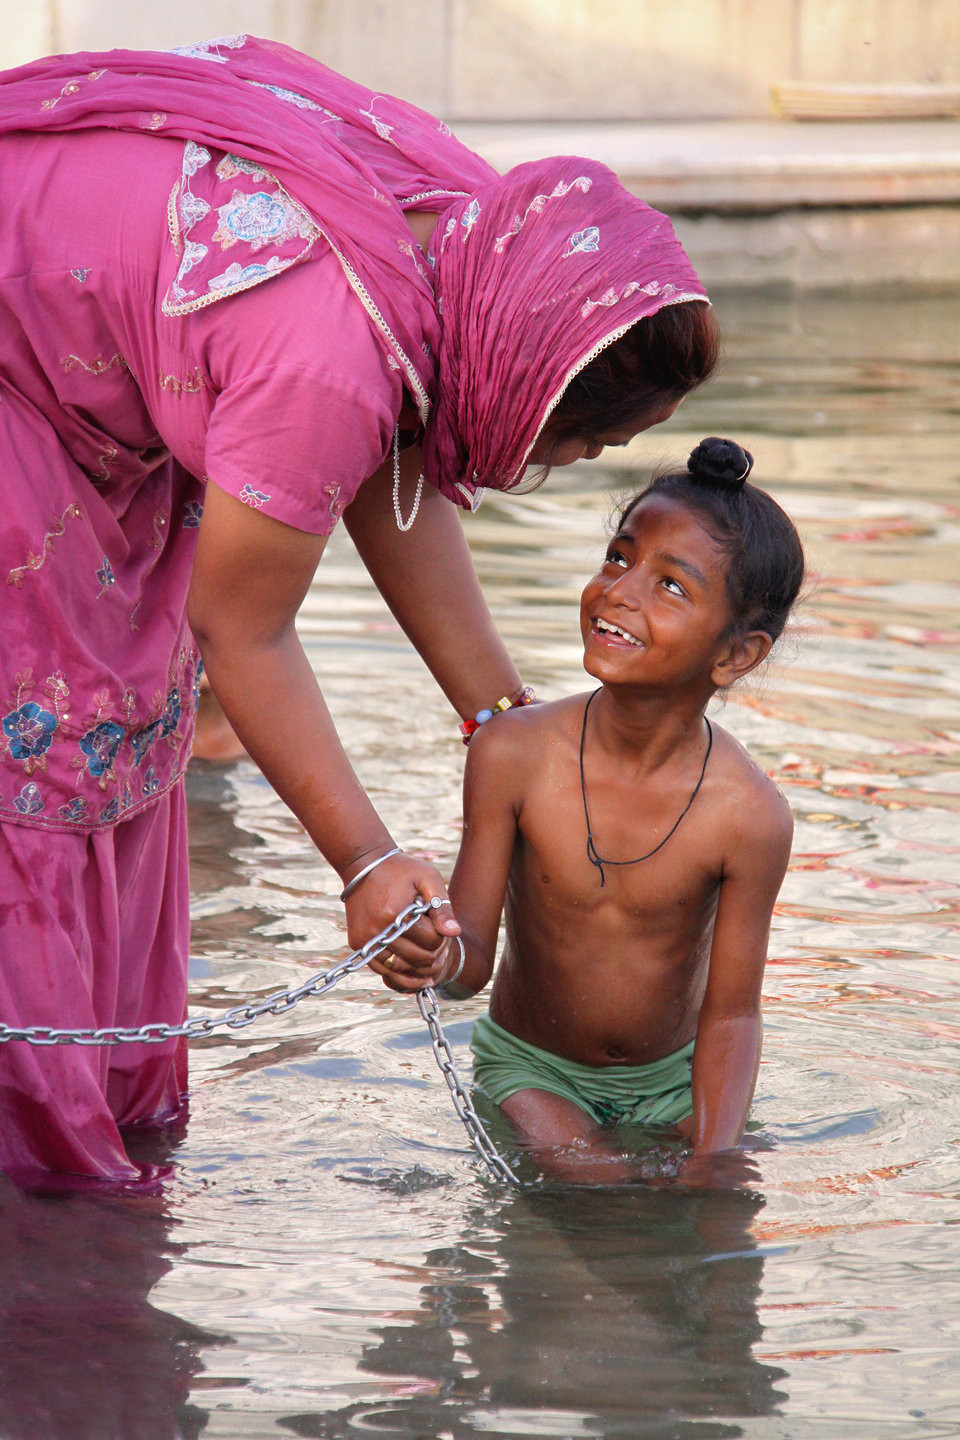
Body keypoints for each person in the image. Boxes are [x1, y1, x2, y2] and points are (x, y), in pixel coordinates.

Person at [0, 35, 717, 1182]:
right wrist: (368, 864)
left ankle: (111, 1115)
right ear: (524, 367)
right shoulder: (323, 348)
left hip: (96, 333)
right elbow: (242, 627)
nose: (571, 462)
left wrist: (509, 727)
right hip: (18, 375)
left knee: (127, 728)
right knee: (45, 758)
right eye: (585, 437)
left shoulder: (473, 245)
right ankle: (42, 1176)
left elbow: (396, 454)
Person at [386, 438, 805, 1186]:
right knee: (597, 1190)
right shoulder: (512, 752)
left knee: (724, 1208)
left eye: (672, 586)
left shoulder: (750, 817)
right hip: (536, 1069)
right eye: (619, 557)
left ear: (735, 656)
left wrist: (715, 1154)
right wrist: (433, 954)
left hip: (674, 1078)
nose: (620, 591)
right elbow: (470, 960)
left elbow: (734, 1018)